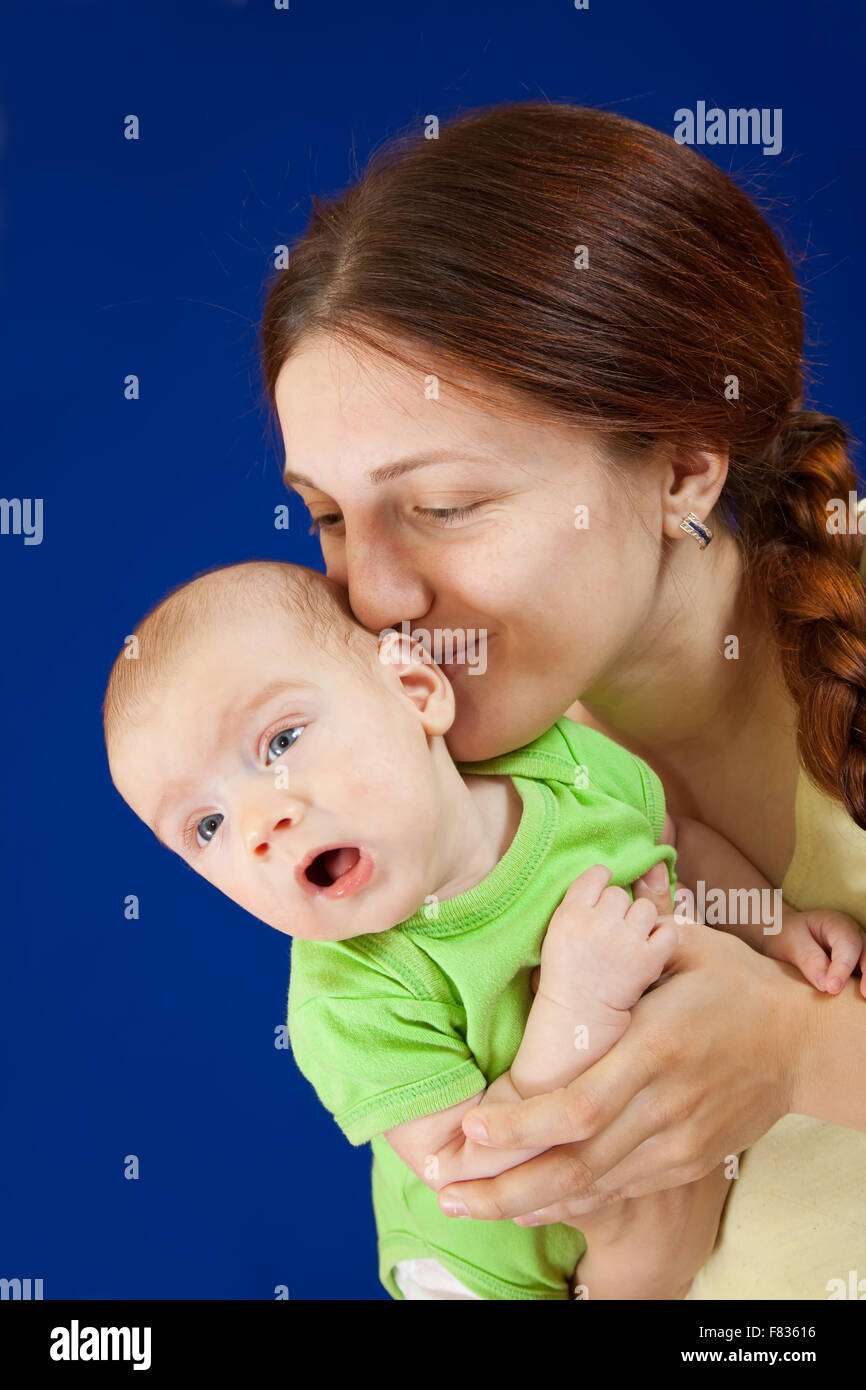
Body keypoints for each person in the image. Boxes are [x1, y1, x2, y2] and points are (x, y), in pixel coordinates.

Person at [258, 101, 866, 1298]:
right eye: (327, 516)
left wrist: (799, 1052)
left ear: (682, 465)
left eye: (440, 505)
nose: (372, 594)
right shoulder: (438, 837)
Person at [101, 561, 863, 1300]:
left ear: (413, 688)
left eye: (280, 742)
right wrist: (572, 1008)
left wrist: (777, 926)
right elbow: (472, 1172)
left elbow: (674, 840)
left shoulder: (558, 768)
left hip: (667, 1174)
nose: (260, 825)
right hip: (488, 1270)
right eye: (206, 826)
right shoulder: (348, 998)